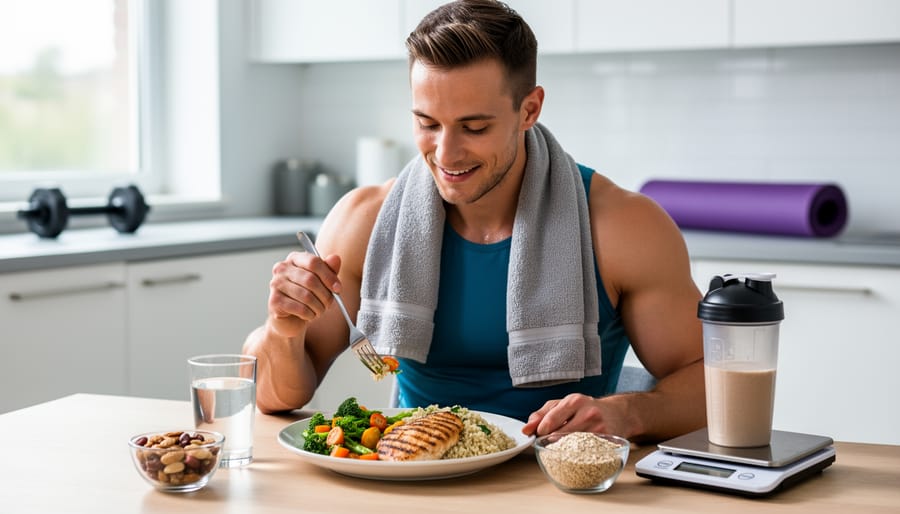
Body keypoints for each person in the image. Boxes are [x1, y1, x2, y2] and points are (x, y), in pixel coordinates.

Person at [243, 0, 705, 443]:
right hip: (413, 472)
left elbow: (714, 383)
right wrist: (283, 328)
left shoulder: (621, 226)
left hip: (558, 481)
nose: (445, 154)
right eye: (427, 123)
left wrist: (628, 412)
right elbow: (276, 397)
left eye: (475, 127)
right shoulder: (364, 221)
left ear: (529, 109)